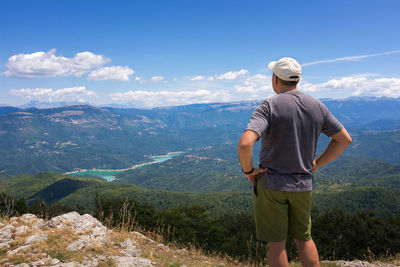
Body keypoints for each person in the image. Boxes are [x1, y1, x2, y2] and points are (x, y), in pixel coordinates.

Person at [238, 57, 352, 267]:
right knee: (304, 238)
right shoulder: (317, 106)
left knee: (277, 243)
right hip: (303, 183)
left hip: (272, 183)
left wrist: (248, 170)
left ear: (275, 79)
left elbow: (245, 144)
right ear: (297, 79)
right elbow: (344, 139)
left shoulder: (268, 106)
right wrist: (316, 163)